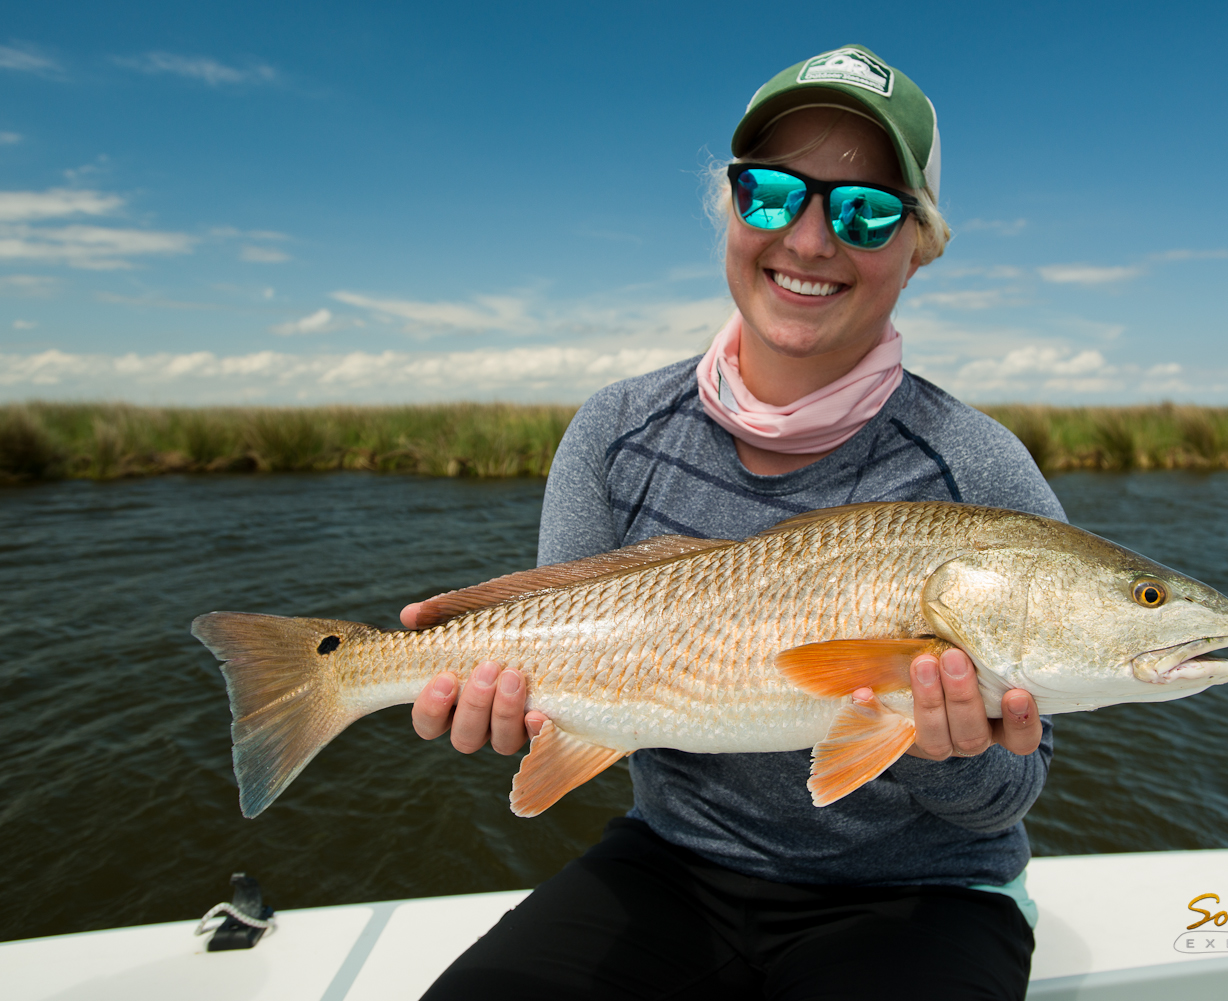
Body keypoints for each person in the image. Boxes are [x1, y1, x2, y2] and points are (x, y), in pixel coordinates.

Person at [410, 45, 1066, 1001]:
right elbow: (567, 664)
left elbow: (1014, 787)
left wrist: (943, 755)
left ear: (918, 246)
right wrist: (516, 707)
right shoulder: (613, 430)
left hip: (924, 891)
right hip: (670, 862)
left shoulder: (976, 465)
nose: (807, 240)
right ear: (730, 211)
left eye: (866, 210)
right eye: (770, 194)